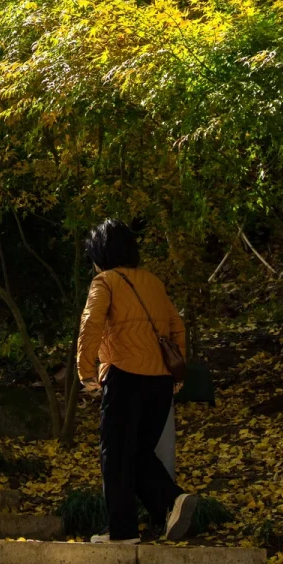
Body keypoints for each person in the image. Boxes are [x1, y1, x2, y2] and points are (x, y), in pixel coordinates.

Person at [77, 219, 200, 544]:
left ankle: (123, 531)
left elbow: (91, 324)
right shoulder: (153, 282)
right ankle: (171, 502)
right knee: (138, 453)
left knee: (115, 454)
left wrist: (85, 370)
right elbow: (177, 326)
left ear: (100, 253)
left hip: (124, 376)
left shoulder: (105, 281)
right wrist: (177, 371)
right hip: (159, 380)